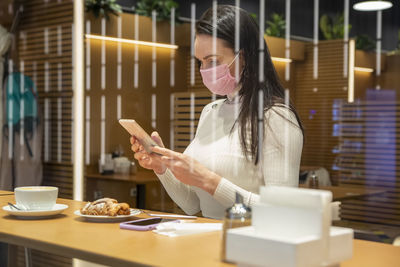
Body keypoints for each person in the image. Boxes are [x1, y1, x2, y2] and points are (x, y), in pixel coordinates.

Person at [130, 5, 304, 219]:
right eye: (201, 62)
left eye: (213, 61)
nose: (205, 70)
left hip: (251, 248)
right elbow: (192, 204)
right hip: (208, 243)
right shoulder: (210, 113)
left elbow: (283, 213)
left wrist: (210, 181)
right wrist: (162, 168)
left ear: (244, 56)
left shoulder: (276, 117)